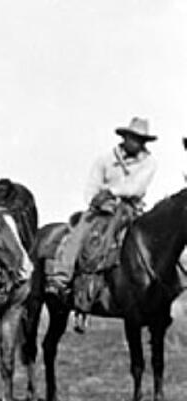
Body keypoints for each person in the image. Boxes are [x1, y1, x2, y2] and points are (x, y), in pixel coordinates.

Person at [46, 117, 158, 328]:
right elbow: (91, 187)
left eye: (140, 140)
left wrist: (112, 192)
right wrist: (98, 201)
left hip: (129, 208)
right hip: (101, 207)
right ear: (125, 137)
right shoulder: (105, 159)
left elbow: (136, 187)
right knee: (79, 233)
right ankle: (61, 278)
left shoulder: (149, 163)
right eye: (133, 138)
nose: (136, 143)